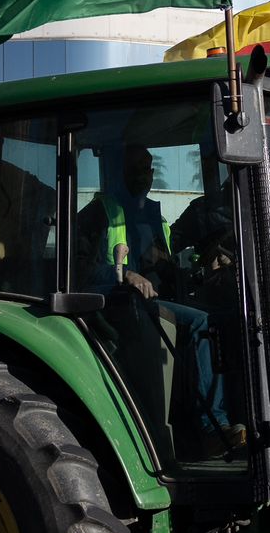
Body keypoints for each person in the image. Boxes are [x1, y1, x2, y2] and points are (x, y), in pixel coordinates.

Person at [76, 145, 242, 454]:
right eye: (137, 169)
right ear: (119, 172)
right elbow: (78, 271)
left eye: (149, 169)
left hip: (156, 303)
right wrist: (125, 274)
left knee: (229, 316)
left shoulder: (153, 215)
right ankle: (210, 427)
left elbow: (166, 266)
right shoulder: (101, 212)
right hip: (120, 307)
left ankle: (238, 420)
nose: (145, 176)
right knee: (201, 323)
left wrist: (203, 267)